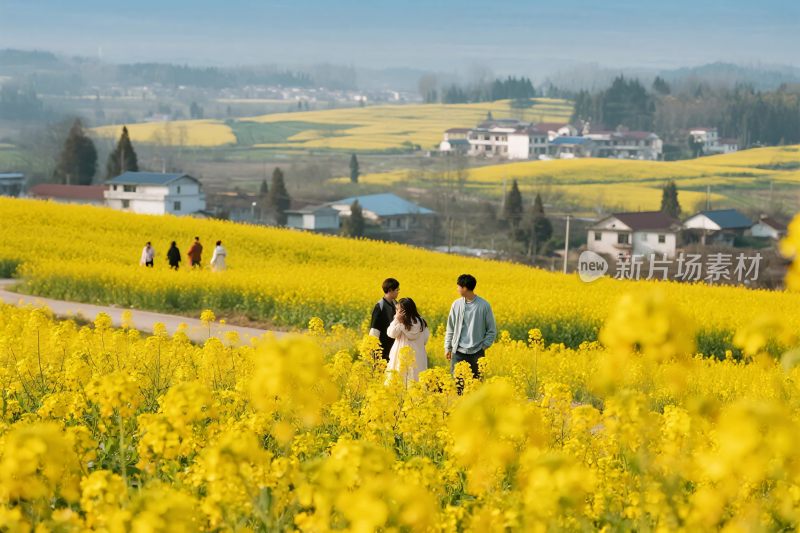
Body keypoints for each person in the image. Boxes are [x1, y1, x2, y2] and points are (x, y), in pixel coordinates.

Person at [445, 274, 497, 383]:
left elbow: (491, 330)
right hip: (458, 352)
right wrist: (448, 348)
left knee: (477, 385)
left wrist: (484, 346)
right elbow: (450, 328)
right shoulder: (456, 304)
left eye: (458, 286)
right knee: (458, 385)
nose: (457, 289)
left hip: (477, 353)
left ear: (464, 288)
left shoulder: (484, 305)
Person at [385, 298, 430, 383]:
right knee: (415, 381)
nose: (396, 312)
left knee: (402, 380)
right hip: (418, 356)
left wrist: (398, 321)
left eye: (398, 310)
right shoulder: (421, 322)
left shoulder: (402, 321)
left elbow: (391, 334)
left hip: (403, 357)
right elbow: (425, 339)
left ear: (405, 311)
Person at [368, 278, 400, 362]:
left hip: (394, 345)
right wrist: (373, 348)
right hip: (382, 347)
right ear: (390, 290)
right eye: (397, 290)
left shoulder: (396, 304)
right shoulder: (380, 306)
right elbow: (374, 328)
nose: (398, 292)